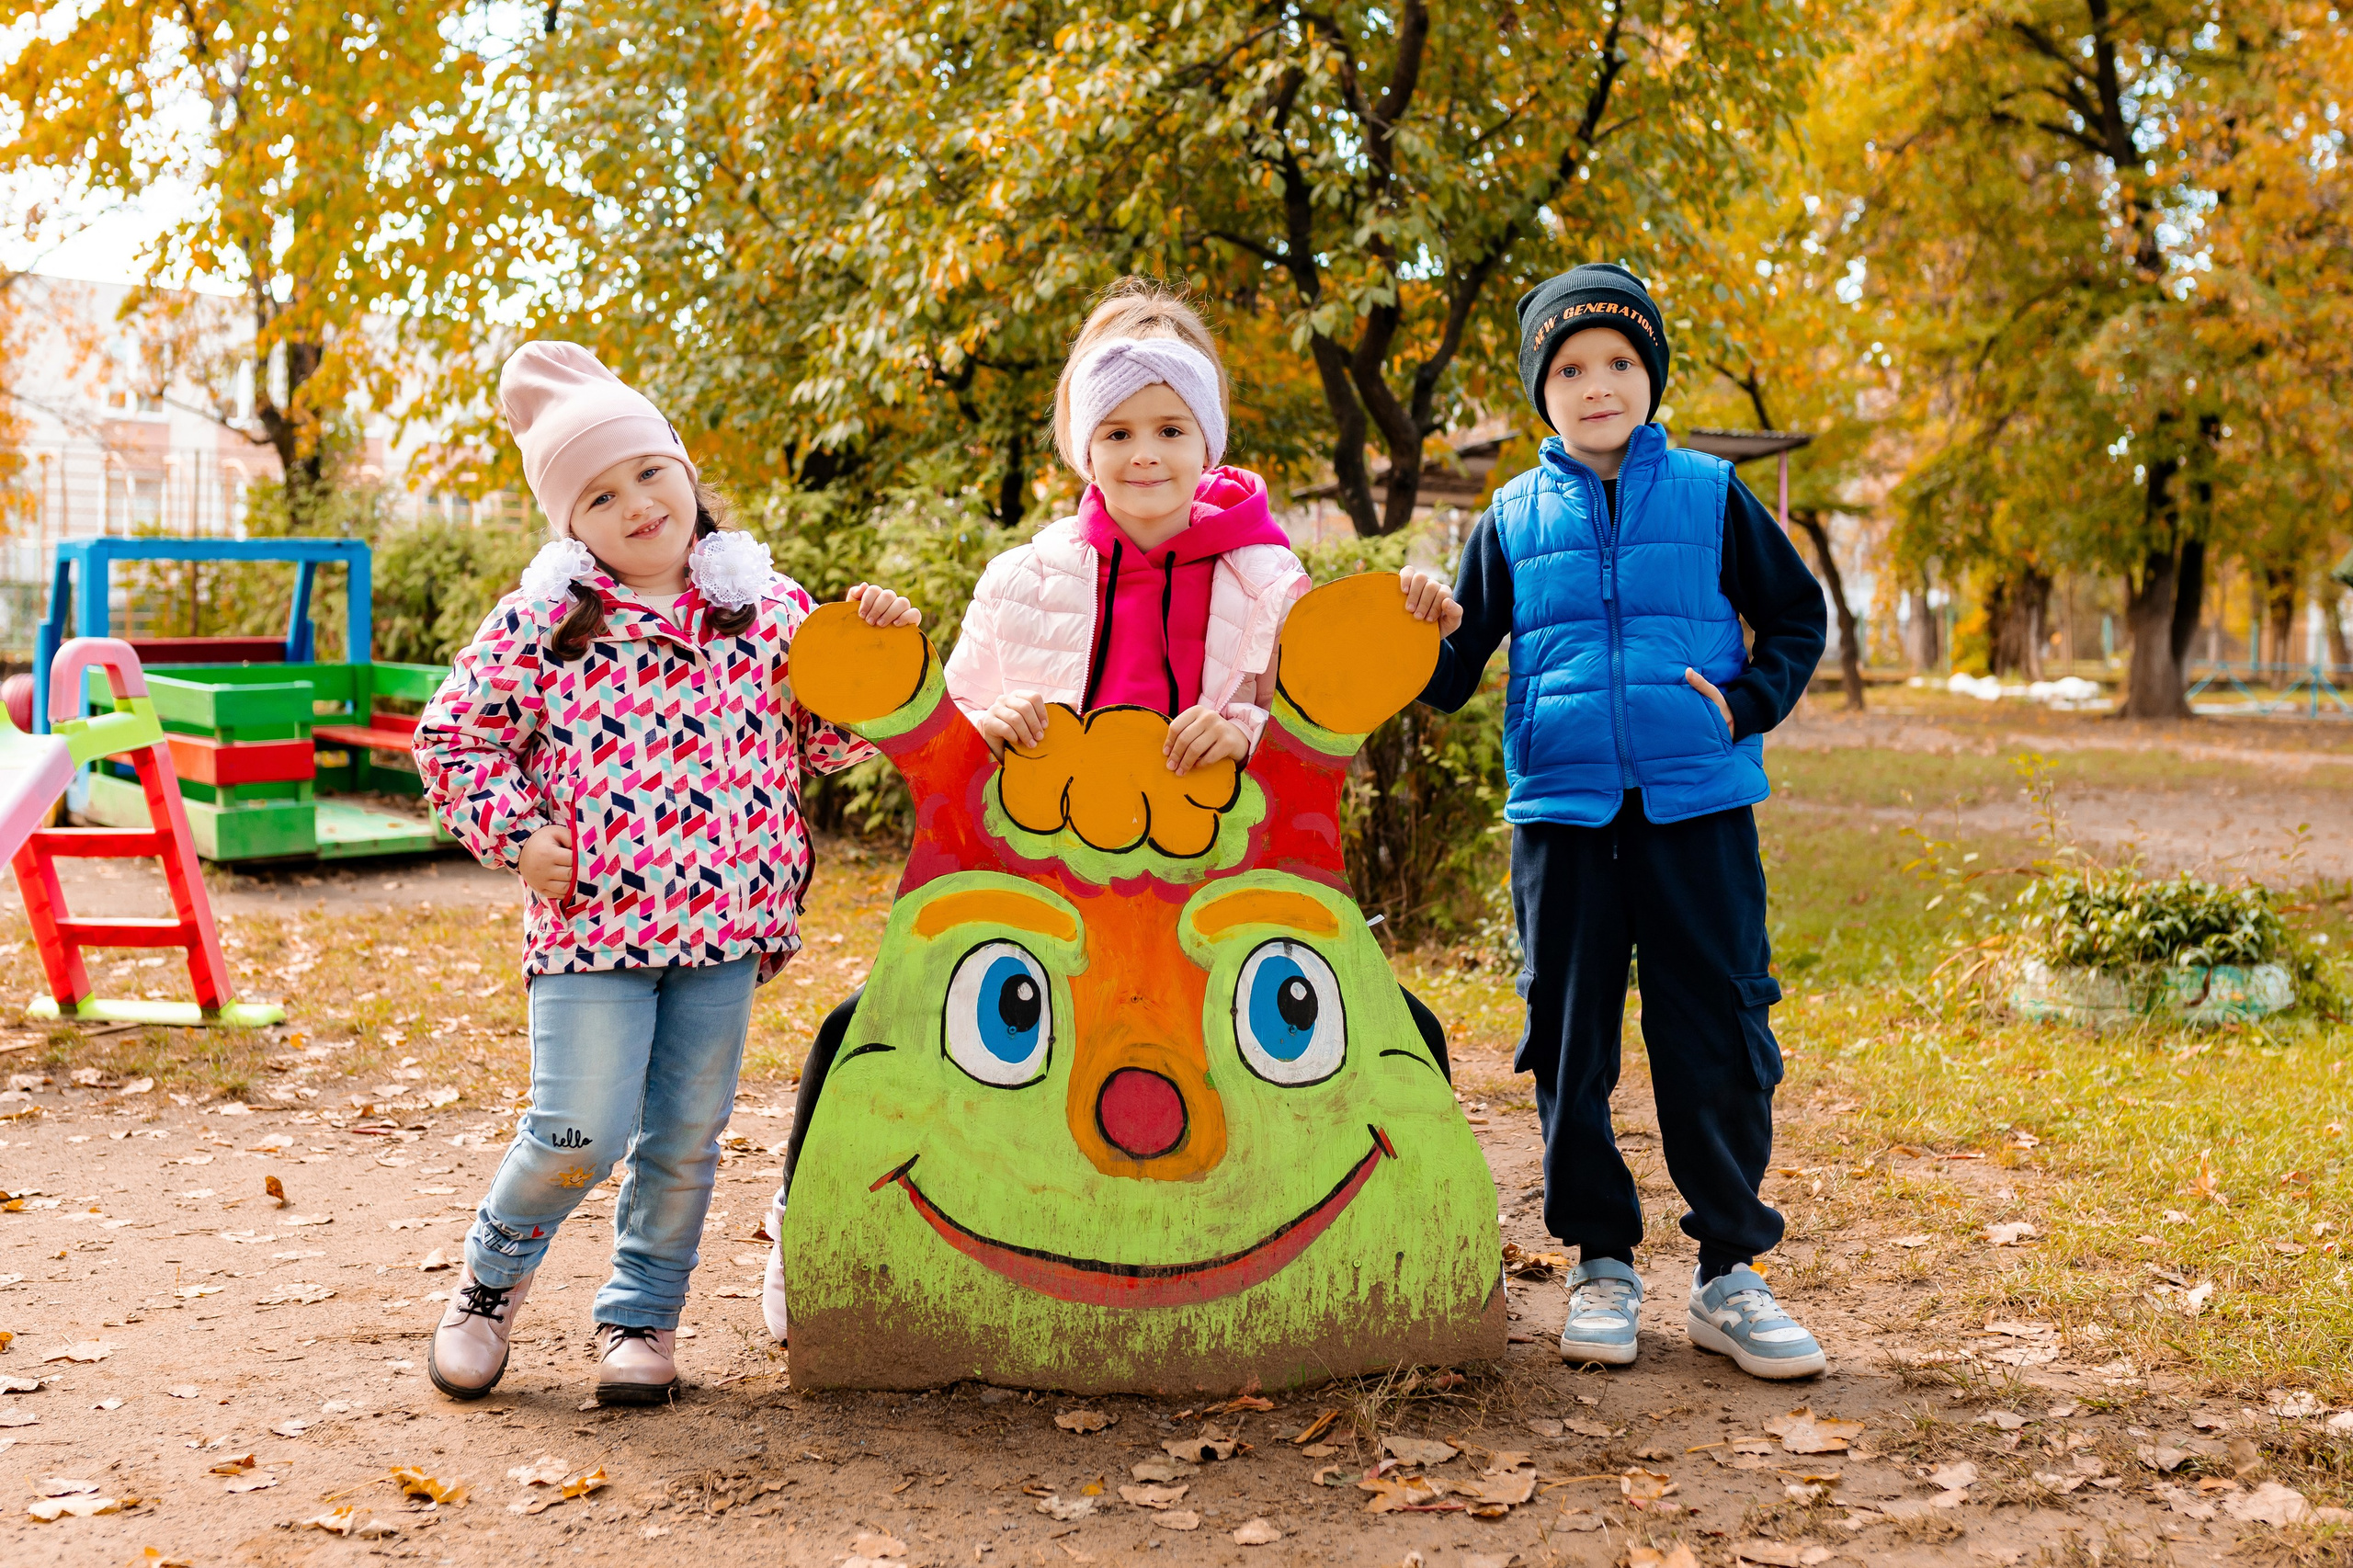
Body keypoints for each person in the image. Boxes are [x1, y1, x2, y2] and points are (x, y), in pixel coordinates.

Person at [757, 279, 1460, 1344]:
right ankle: (802, 1222)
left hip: (1209, 903)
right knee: (859, 1028)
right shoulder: (1023, 577)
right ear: (1085, 445)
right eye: (1120, 429)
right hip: (1051, 899)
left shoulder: (1270, 578)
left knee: (1407, 1027)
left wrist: (1246, 725)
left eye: (1172, 428)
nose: (1146, 454)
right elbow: (962, 717)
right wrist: (993, 720)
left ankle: (1408, 1228)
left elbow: (1308, 724)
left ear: (1207, 439)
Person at [414, 341, 917, 1405]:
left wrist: (875, 652)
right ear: (569, 524)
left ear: (685, 469)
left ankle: (641, 1320)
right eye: (599, 493)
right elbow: (451, 738)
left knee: (684, 1139)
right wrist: (517, 834)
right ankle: (488, 1285)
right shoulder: (544, 625)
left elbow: (830, 741)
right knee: (579, 1127)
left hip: (724, 927)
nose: (637, 504)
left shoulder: (771, 609)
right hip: (593, 927)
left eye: (649, 470)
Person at [1415, 263, 1831, 1379]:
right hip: (1562, 813)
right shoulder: (1507, 516)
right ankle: (1601, 1260)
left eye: (1618, 362)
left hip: (1696, 806)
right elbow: (1451, 674)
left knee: (1717, 1034)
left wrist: (1746, 702)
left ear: (1650, 374)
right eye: (1568, 368)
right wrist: (1417, 626)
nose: (1596, 384)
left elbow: (1796, 612)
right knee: (1567, 1036)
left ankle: (1728, 1273)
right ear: (1539, 391)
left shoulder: (1707, 493)